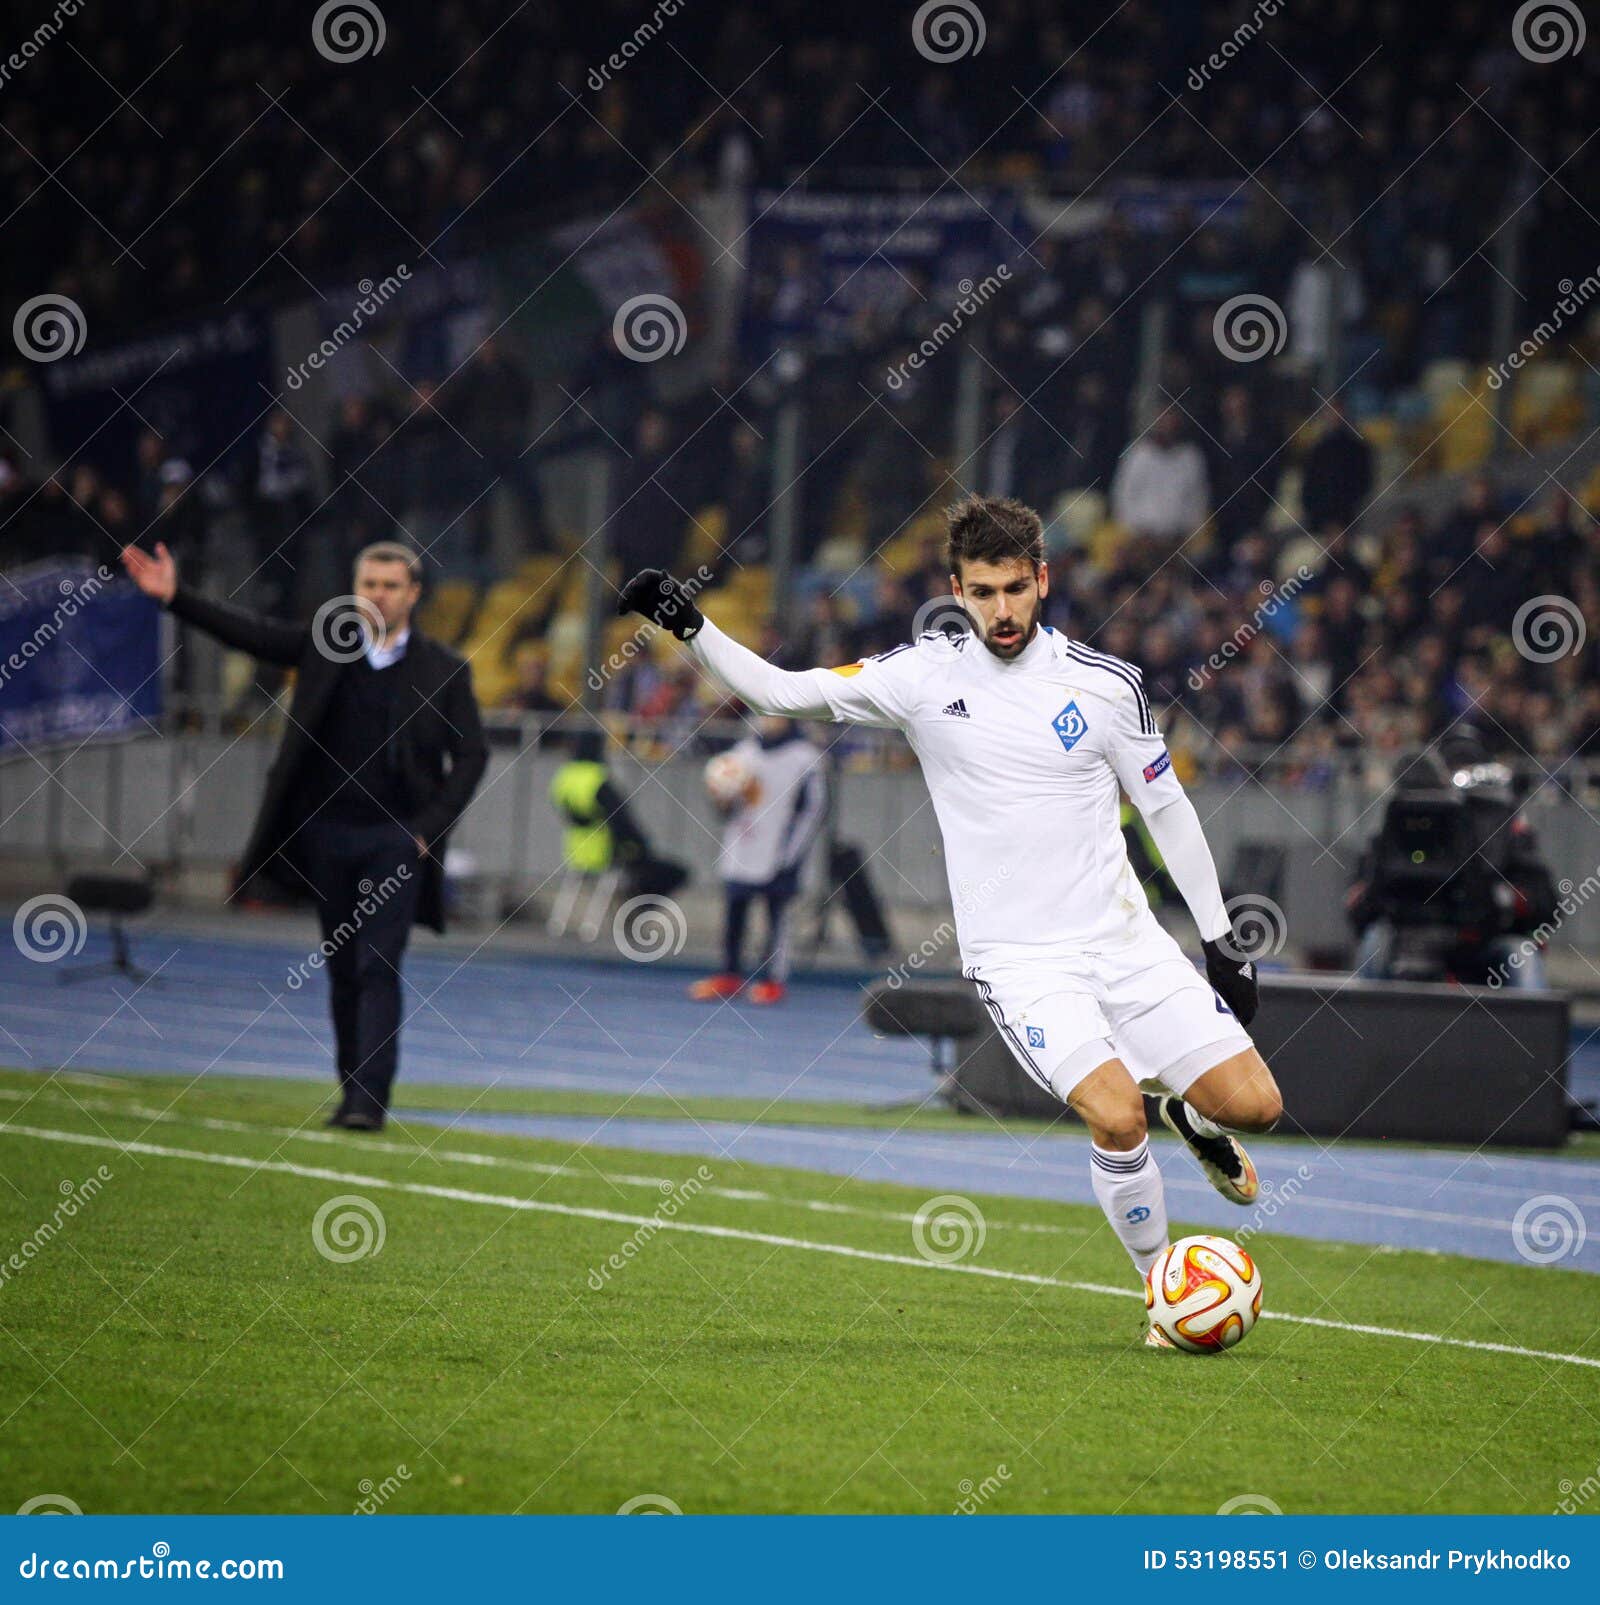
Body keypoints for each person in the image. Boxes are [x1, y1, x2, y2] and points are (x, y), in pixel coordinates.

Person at [617, 496, 1284, 1346]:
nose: (1001, 610)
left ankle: (1189, 1110)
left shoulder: (1105, 686)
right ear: (956, 591)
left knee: (1258, 1106)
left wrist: (1220, 938)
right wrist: (687, 621)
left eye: (1015, 588)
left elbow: (1167, 806)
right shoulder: (921, 676)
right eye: (982, 592)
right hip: (1022, 959)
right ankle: (1163, 1291)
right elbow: (782, 693)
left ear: (1042, 580)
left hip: (1126, 941)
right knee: (1114, 1117)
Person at [120, 538, 487, 1131]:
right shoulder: (328, 644)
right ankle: (351, 1088)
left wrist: (427, 830)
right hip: (327, 834)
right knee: (344, 966)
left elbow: (472, 754)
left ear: (414, 594)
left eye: (390, 586)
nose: (378, 595)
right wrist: (176, 598)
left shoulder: (443, 669)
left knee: (378, 964)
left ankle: (368, 1102)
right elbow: (254, 634)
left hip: (395, 840)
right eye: (368, 584)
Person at [691, 716, 827, 1006]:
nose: (768, 720)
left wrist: (790, 854)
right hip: (742, 845)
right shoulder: (744, 752)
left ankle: (772, 979)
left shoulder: (805, 758)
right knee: (734, 912)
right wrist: (722, 800)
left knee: (776, 916)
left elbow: (813, 810)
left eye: (775, 714)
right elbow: (726, 808)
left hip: (779, 850)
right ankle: (729, 973)